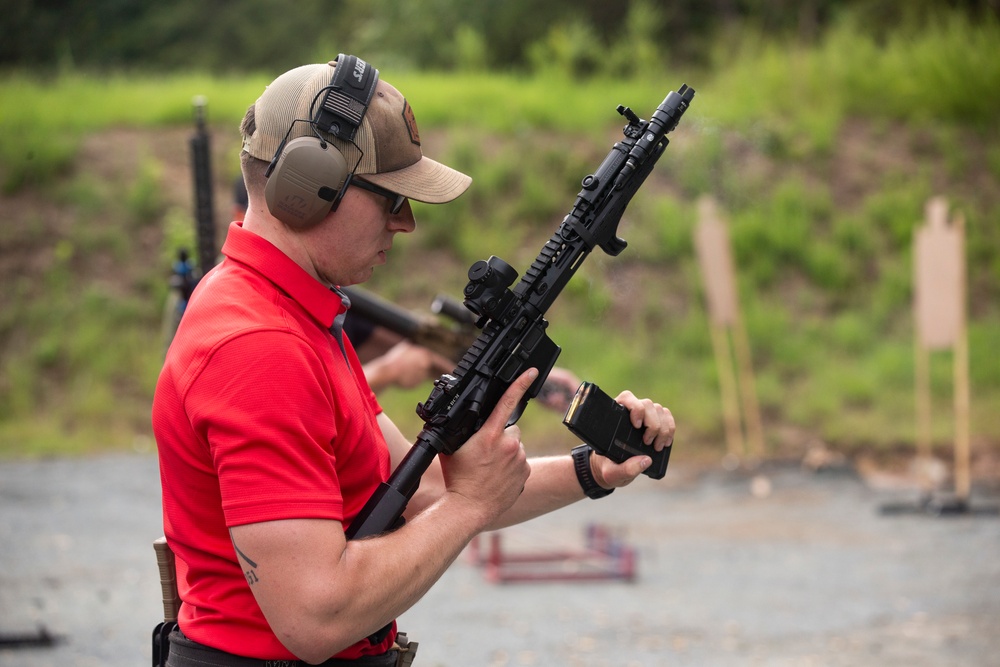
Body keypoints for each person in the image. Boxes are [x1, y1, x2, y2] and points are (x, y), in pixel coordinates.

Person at [152, 56, 674, 666]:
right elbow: (314, 617)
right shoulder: (258, 346)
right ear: (310, 187)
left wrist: (594, 471)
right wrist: (469, 507)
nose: (407, 224)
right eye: (390, 200)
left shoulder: (293, 315)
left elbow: (424, 485)